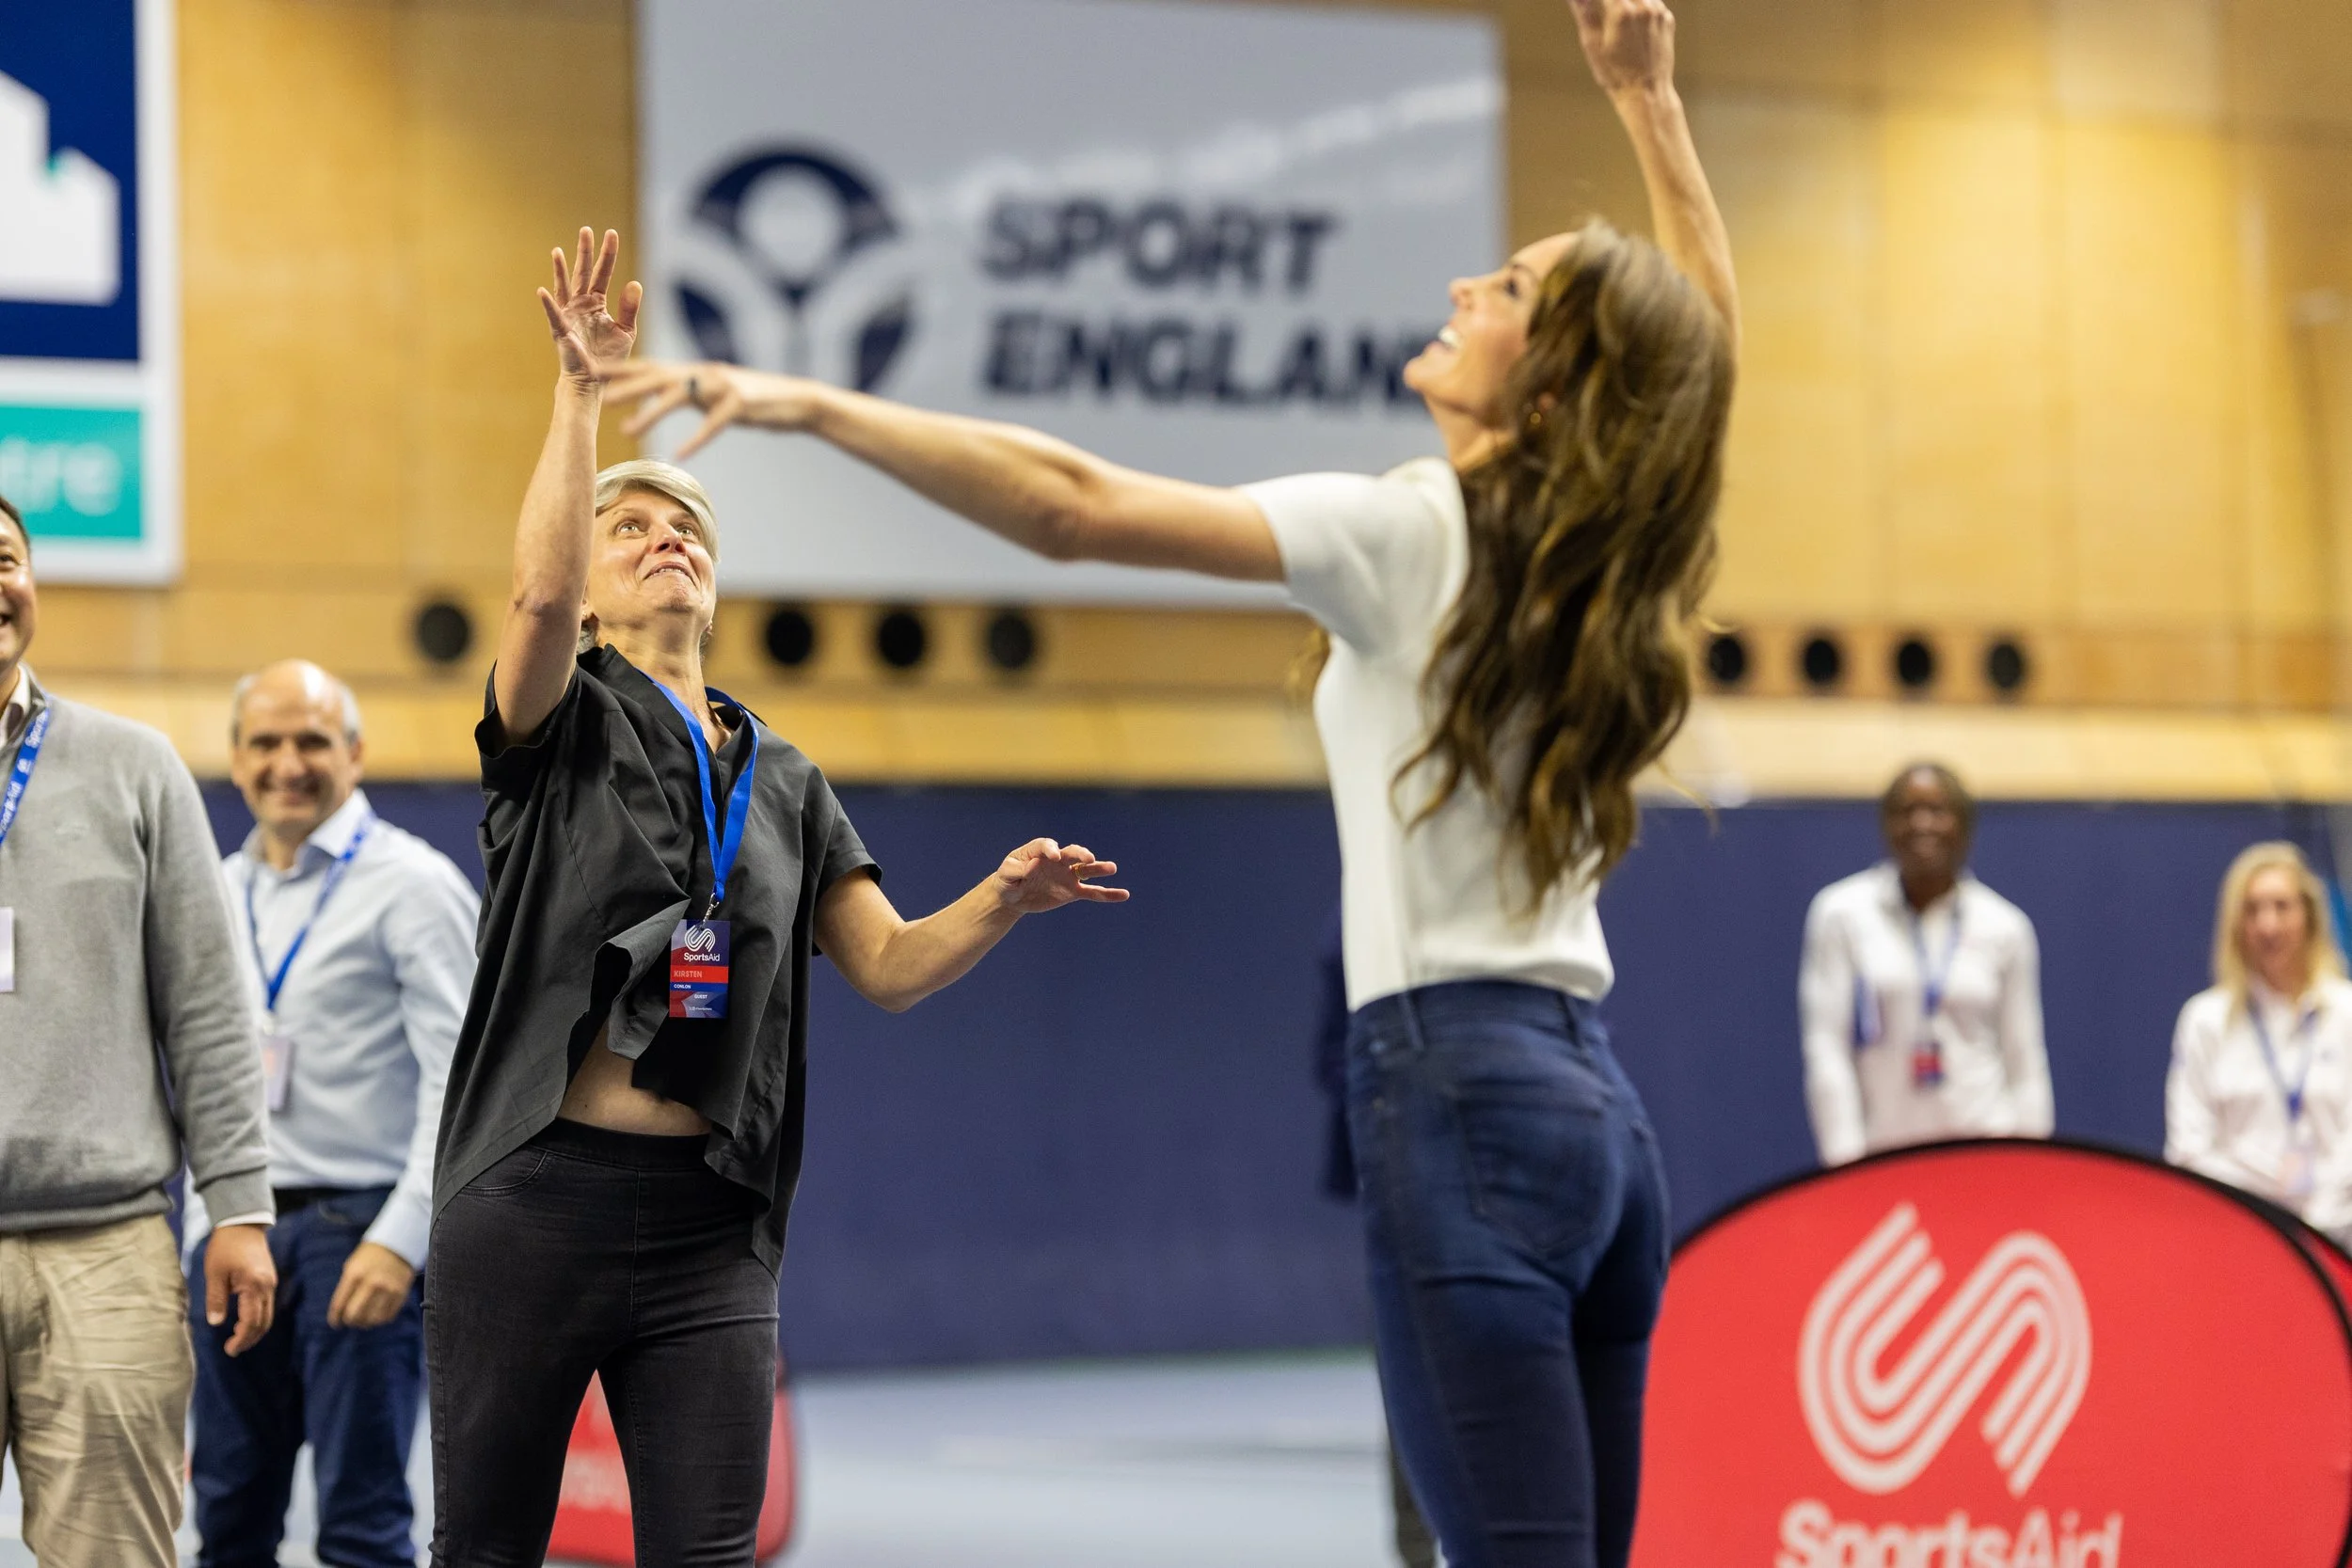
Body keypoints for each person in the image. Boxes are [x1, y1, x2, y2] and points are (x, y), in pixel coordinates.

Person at [596, 0, 1737, 1558]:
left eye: (1514, 286)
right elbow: (1700, 371)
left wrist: (811, 403)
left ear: (1557, 379)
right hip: (1600, 1116)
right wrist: (1649, 108)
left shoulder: (1420, 533)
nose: (1468, 283)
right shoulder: (1611, 563)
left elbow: (1072, 508)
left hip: (1460, 1091)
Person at [425, 228, 1130, 1564]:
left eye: (683, 527)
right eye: (628, 528)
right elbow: (531, 588)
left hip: (710, 1222)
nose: (662, 541)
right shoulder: (557, 718)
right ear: (589, 600)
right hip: (531, 1200)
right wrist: (579, 395)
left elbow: (892, 965)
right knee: (487, 1548)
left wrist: (999, 895)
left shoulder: (787, 776)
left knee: (709, 1549)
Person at [0, 491, 279, 1564]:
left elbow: (207, 1004)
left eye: (8, 557)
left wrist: (240, 1206)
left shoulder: (134, 765)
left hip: (106, 1251)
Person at [186, 661, 478, 1568]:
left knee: (362, 1525)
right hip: (237, 1232)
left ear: (353, 753)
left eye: (311, 739)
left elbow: (462, 1081)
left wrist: (402, 1239)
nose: (288, 762)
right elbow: (193, 1074)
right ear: (235, 761)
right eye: (265, 742)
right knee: (228, 1514)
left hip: (356, 1237)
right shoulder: (213, 892)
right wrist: (199, 1229)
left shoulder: (411, 885)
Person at [1798, 762, 2053, 1167]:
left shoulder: (2005, 926)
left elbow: (2025, 1059)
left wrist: (2029, 1165)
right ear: (1886, 825)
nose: (1922, 824)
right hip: (1883, 1157)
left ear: (1965, 826)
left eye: (1939, 811)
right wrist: (1845, 1163)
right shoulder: (1842, 915)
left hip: (1983, 1150)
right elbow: (1827, 1049)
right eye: (1906, 811)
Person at [1311, 912, 1437, 1568]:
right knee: (1408, 1367)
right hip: (1394, 1174)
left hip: (1486, 1163)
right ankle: (1416, 1550)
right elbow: (1331, 1054)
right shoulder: (1351, 933)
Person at [2167, 842, 2352, 1243]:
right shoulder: (2206, 1020)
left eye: (2282, 907)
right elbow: (2188, 1150)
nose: (2268, 925)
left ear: (2309, 915)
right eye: (2252, 910)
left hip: (2340, 1234)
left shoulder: (2346, 1012)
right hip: (2243, 1236)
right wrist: (2267, 1208)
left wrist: (2317, 1216)